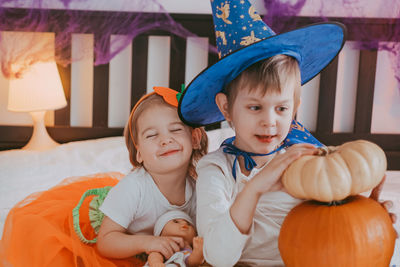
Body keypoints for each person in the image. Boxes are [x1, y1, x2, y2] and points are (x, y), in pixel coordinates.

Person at [178, 0, 395, 266]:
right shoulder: (217, 169)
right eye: (255, 107)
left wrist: (367, 214)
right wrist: (255, 188)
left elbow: (339, 228)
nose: (269, 121)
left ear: (295, 107)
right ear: (226, 108)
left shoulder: (308, 160)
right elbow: (218, 257)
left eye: (281, 108)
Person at [96, 86, 208, 261]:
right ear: (138, 153)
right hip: (127, 252)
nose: (165, 140)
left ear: (194, 139)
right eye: (152, 135)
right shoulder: (134, 188)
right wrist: (147, 243)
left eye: (176, 130)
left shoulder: (199, 189)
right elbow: (105, 241)